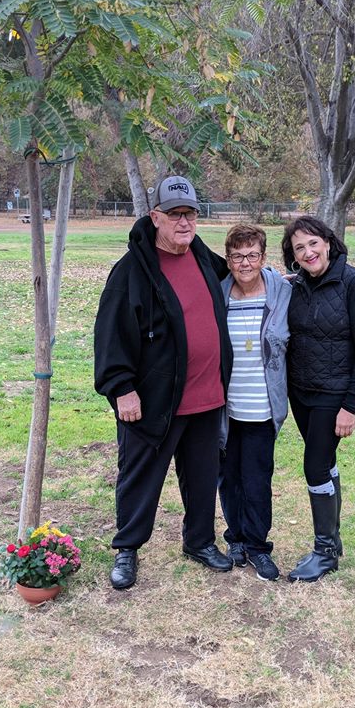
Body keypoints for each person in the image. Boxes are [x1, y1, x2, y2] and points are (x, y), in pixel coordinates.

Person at [94, 175, 234, 590]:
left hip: (206, 396)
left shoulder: (202, 257)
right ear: (155, 217)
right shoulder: (131, 271)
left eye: (190, 213)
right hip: (154, 401)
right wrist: (121, 387)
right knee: (140, 477)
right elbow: (110, 335)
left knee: (203, 476)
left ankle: (199, 542)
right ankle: (127, 549)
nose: (184, 222)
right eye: (174, 214)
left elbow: (240, 278)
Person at [281, 216, 355, 583]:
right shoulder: (297, 285)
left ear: (328, 241)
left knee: (315, 465)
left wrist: (350, 405)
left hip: (333, 394)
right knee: (325, 461)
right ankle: (333, 542)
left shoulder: (353, 283)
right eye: (299, 249)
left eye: (313, 244)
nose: (308, 253)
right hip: (301, 392)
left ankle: (324, 551)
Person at [218, 225, 291, 581]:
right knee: (229, 480)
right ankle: (235, 540)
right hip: (226, 410)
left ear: (263, 258)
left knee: (257, 480)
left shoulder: (282, 293)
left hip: (263, 407)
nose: (245, 263)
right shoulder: (218, 296)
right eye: (237, 256)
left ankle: (258, 547)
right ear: (228, 259)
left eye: (252, 255)